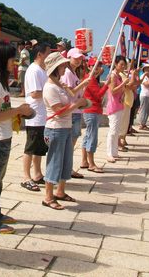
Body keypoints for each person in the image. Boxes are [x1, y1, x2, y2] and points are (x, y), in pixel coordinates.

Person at [0, 41, 33, 233]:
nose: (15, 63)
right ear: (3, 59)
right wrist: (18, 109)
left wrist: (16, 113)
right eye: (13, 59)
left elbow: (1, 111)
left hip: (2, 136)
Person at [42, 52, 87, 210]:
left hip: (65, 127)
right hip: (55, 129)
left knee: (65, 162)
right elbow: (59, 111)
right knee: (54, 162)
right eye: (61, 65)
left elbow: (72, 97)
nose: (64, 68)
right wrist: (77, 104)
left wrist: (80, 101)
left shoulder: (60, 85)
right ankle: (48, 196)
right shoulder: (50, 88)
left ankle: (60, 192)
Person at [21, 43, 51, 192]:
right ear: (40, 54)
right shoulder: (33, 70)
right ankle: (26, 177)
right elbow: (34, 93)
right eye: (47, 53)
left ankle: (37, 174)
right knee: (31, 147)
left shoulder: (42, 70)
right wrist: (51, 93)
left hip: (42, 115)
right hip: (35, 114)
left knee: (39, 147)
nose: (49, 56)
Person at [61, 47, 90, 179]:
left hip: (76, 109)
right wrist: (83, 84)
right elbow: (70, 92)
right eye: (76, 58)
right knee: (69, 143)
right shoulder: (67, 72)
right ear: (69, 57)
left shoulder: (73, 72)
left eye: (80, 58)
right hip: (72, 110)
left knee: (72, 142)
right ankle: (66, 168)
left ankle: (68, 167)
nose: (78, 60)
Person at [80, 58, 108, 172]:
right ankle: (91, 163)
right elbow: (98, 95)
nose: (97, 69)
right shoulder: (90, 79)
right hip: (92, 110)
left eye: (98, 67)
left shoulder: (91, 78)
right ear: (89, 67)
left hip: (91, 110)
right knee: (92, 137)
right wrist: (107, 85)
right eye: (94, 67)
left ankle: (84, 161)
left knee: (87, 136)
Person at [106, 56, 129, 163]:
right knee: (113, 130)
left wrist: (123, 92)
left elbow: (120, 91)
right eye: (121, 64)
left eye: (124, 65)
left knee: (116, 130)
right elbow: (113, 90)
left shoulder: (119, 76)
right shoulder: (113, 75)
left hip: (119, 105)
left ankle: (114, 151)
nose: (123, 67)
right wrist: (124, 84)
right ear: (115, 64)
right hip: (113, 106)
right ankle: (109, 153)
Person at [138, 63, 149, 131]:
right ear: (144, 69)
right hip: (144, 95)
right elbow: (147, 84)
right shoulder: (143, 76)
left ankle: (144, 124)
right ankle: (141, 124)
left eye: (148, 68)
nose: (147, 70)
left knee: (148, 111)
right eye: (146, 68)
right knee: (143, 110)